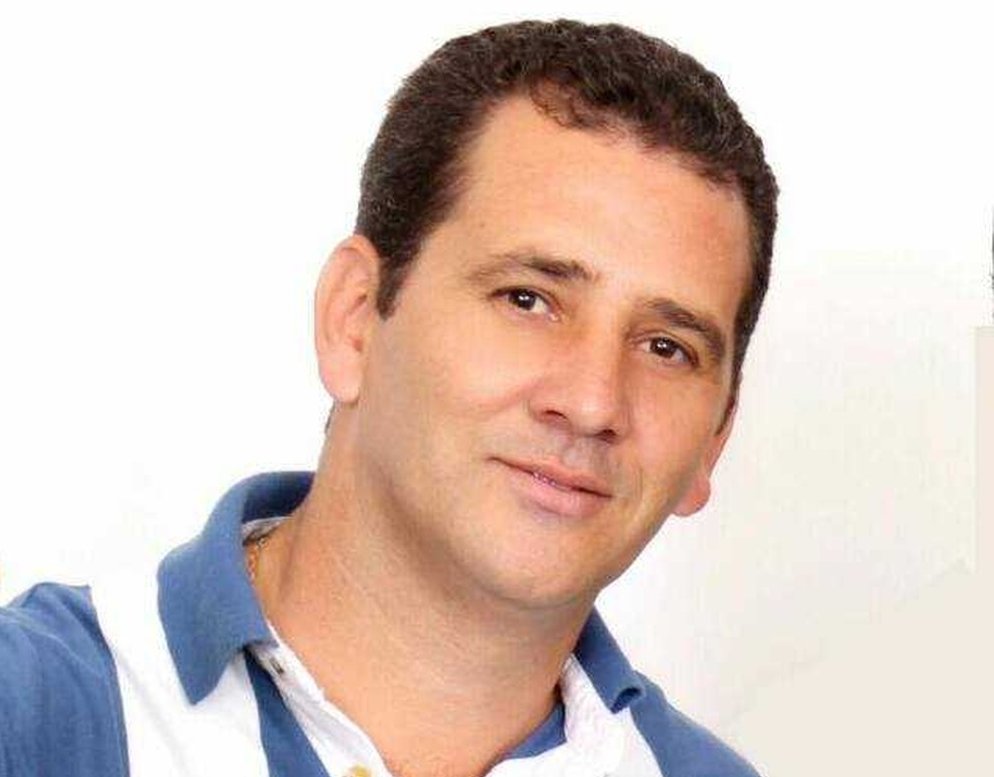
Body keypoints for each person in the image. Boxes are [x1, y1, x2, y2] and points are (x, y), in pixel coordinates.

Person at [0, 18, 777, 777]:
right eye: (528, 299)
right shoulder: (30, 714)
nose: (591, 402)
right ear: (355, 319)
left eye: (667, 347)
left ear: (714, 440)